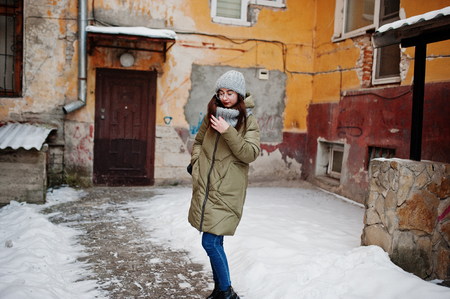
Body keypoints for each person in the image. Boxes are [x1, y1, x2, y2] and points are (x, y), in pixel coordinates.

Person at [188, 70, 261, 299]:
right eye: (221, 92)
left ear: (239, 95)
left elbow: (250, 153)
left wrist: (228, 131)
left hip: (227, 190)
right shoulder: (211, 116)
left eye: (230, 93)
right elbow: (198, 141)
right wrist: (196, 162)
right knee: (214, 240)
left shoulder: (248, 121)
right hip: (207, 186)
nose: (225, 97)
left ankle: (227, 293)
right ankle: (220, 291)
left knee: (209, 242)